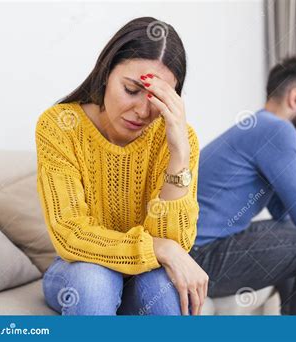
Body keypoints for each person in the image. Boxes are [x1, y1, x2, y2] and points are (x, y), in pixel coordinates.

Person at [35, 17, 208, 316]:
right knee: (95, 281)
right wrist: (159, 248)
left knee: (163, 290)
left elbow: (176, 243)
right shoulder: (59, 126)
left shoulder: (178, 138)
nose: (142, 111)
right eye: (131, 89)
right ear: (105, 73)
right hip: (79, 268)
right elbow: (71, 233)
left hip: (146, 274)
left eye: (157, 99)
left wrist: (179, 154)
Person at [190, 57, 296, 315]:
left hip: (200, 247)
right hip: (197, 257)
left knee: (293, 233)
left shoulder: (261, 125)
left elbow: (283, 212)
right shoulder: (277, 131)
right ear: (295, 97)